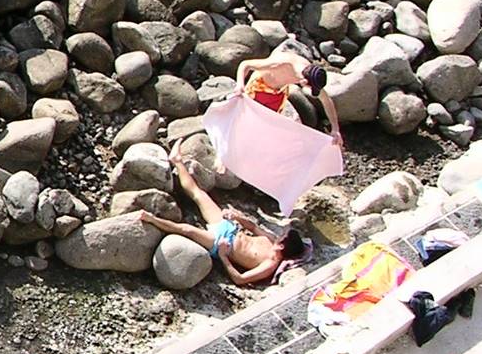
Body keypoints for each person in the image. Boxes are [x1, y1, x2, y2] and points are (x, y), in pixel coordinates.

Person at [139, 158, 286, 286]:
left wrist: (223, 256)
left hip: (221, 244)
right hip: (231, 229)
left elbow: (240, 279)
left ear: (282, 248)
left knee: (187, 230)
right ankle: (177, 161)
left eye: (281, 241)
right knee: (200, 195)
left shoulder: (269, 265)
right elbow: (252, 227)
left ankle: (152, 219)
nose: (278, 239)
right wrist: (237, 217)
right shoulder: (271, 239)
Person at [232, 45, 345, 150]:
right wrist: (240, 84)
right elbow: (245, 64)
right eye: (311, 88)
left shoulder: (310, 72)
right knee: (245, 120)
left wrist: (335, 129)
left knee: (266, 125)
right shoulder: (281, 63)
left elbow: (326, 100)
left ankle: (254, 151)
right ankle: (231, 149)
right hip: (259, 87)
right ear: (304, 82)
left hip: (278, 92)